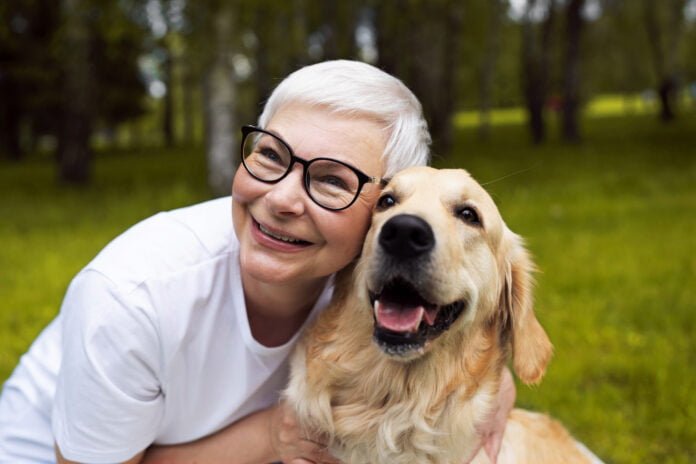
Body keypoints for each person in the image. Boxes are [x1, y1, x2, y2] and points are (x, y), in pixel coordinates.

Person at [0, 59, 515, 464]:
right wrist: (272, 435)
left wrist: (495, 383)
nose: (282, 199)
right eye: (270, 156)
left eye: (332, 180)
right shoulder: (131, 294)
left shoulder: (373, 281)